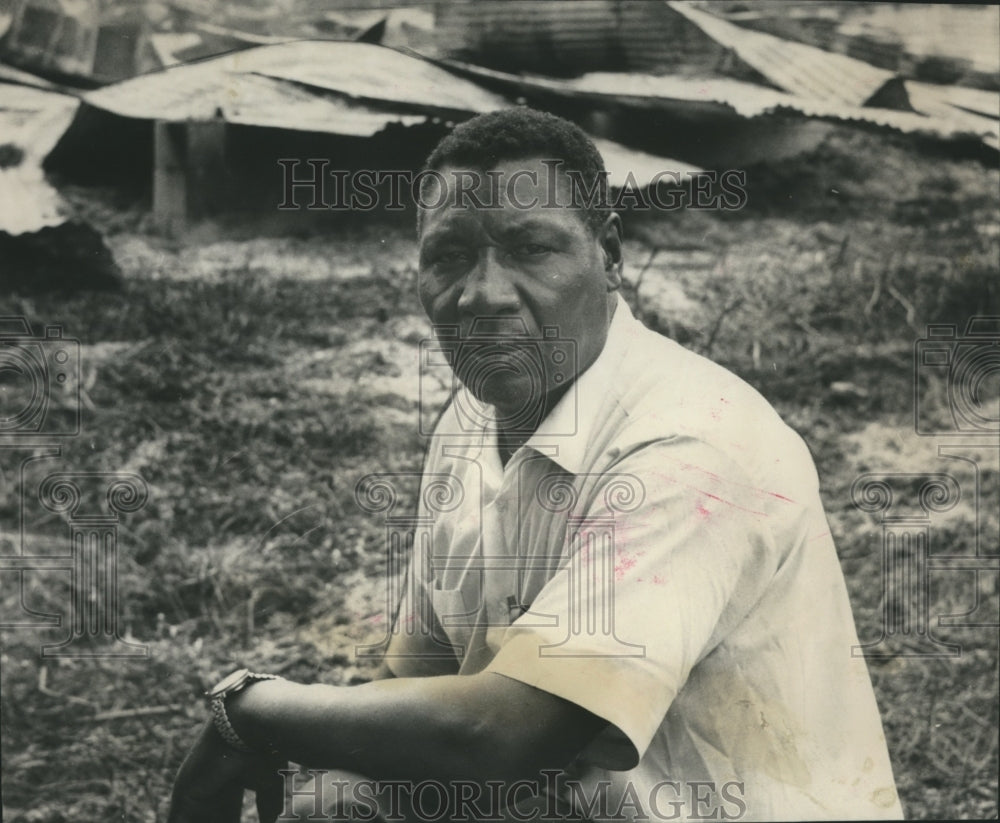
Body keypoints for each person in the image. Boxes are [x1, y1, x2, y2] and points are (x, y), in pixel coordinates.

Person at [168, 107, 903, 822]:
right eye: (450, 255)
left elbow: (500, 735)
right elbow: (413, 679)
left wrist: (248, 708)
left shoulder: (692, 447)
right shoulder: (470, 421)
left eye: (530, 249)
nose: (481, 295)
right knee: (330, 802)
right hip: (559, 803)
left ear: (609, 255)